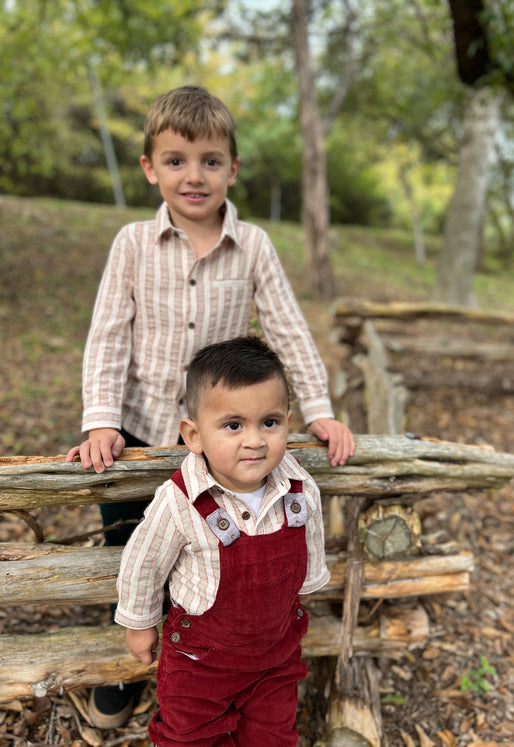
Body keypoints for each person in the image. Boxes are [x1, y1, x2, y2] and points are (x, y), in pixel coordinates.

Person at [65, 84, 354, 728]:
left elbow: (286, 330)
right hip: (142, 428)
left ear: (232, 167)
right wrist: (102, 420)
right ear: (149, 168)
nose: (193, 176)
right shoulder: (133, 244)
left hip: (218, 442)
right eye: (175, 160)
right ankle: (133, 662)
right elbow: (108, 335)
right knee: (135, 550)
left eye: (210, 161)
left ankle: (205, 666)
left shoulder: (252, 247)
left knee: (209, 558)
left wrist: (320, 407)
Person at [115, 336, 330, 746]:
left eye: (270, 422)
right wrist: (139, 624)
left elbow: (310, 540)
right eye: (233, 425)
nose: (254, 440)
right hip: (200, 664)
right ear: (194, 436)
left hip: (276, 658)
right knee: (189, 737)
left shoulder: (299, 488)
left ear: (288, 420)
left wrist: (308, 581)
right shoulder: (181, 501)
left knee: (273, 735)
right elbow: (143, 562)